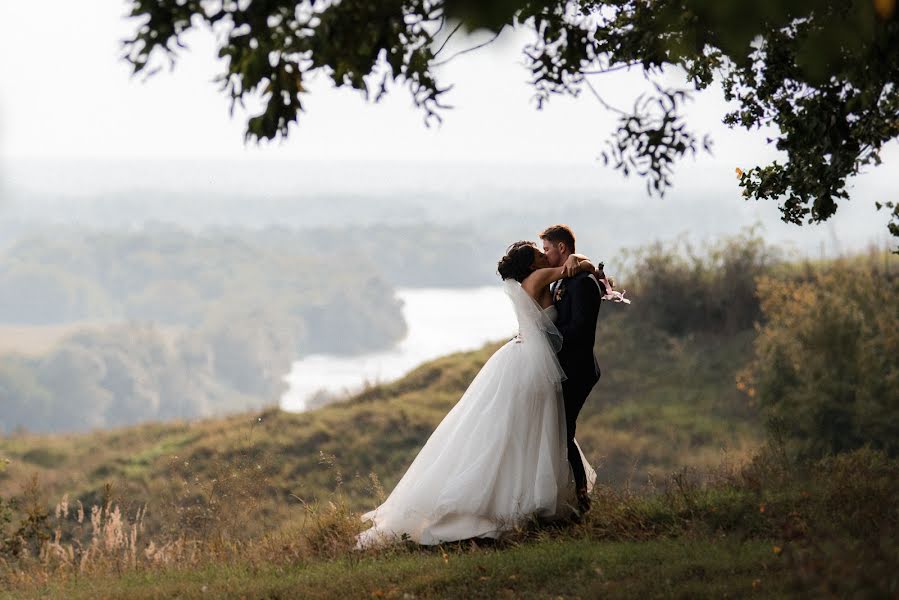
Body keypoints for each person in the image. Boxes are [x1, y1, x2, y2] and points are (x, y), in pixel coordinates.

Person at [356, 241, 599, 547]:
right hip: (530, 365)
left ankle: (531, 494)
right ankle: (513, 500)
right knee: (525, 429)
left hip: (530, 361)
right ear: (530, 265)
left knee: (526, 429)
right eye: (539, 254)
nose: (543, 255)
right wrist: (579, 260)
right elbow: (576, 268)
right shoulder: (537, 279)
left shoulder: (529, 280)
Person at [539, 224, 605, 513]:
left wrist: (545, 335)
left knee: (564, 431)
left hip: (578, 370)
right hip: (562, 368)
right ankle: (570, 494)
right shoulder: (561, 280)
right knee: (561, 431)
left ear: (562, 248)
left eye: (547, 249)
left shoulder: (584, 283)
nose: (545, 255)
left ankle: (581, 496)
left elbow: (580, 329)